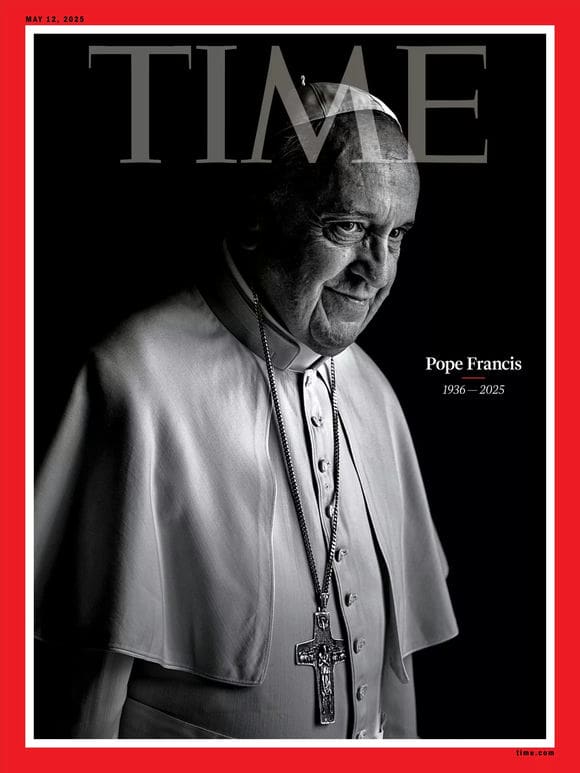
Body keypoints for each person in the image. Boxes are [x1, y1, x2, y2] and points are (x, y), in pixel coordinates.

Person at [34, 82, 458, 739]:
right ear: (260, 216)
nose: (375, 270)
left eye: (396, 235)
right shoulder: (135, 380)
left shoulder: (374, 393)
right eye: (347, 227)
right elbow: (81, 700)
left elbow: (395, 680)